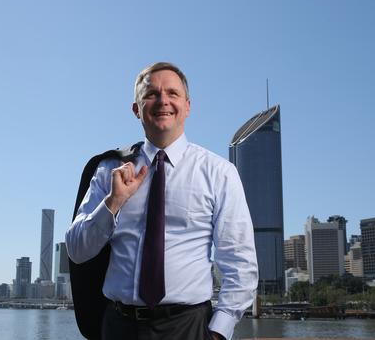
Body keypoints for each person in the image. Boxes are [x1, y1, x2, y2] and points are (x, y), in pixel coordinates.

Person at [66, 62, 258, 340]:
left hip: (189, 327)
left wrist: (218, 332)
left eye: (172, 93)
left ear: (188, 106)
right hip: (118, 326)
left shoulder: (219, 173)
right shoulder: (109, 170)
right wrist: (113, 202)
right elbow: (76, 250)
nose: (163, 101)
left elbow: (239, 260)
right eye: (151, 94)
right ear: (136, 109)